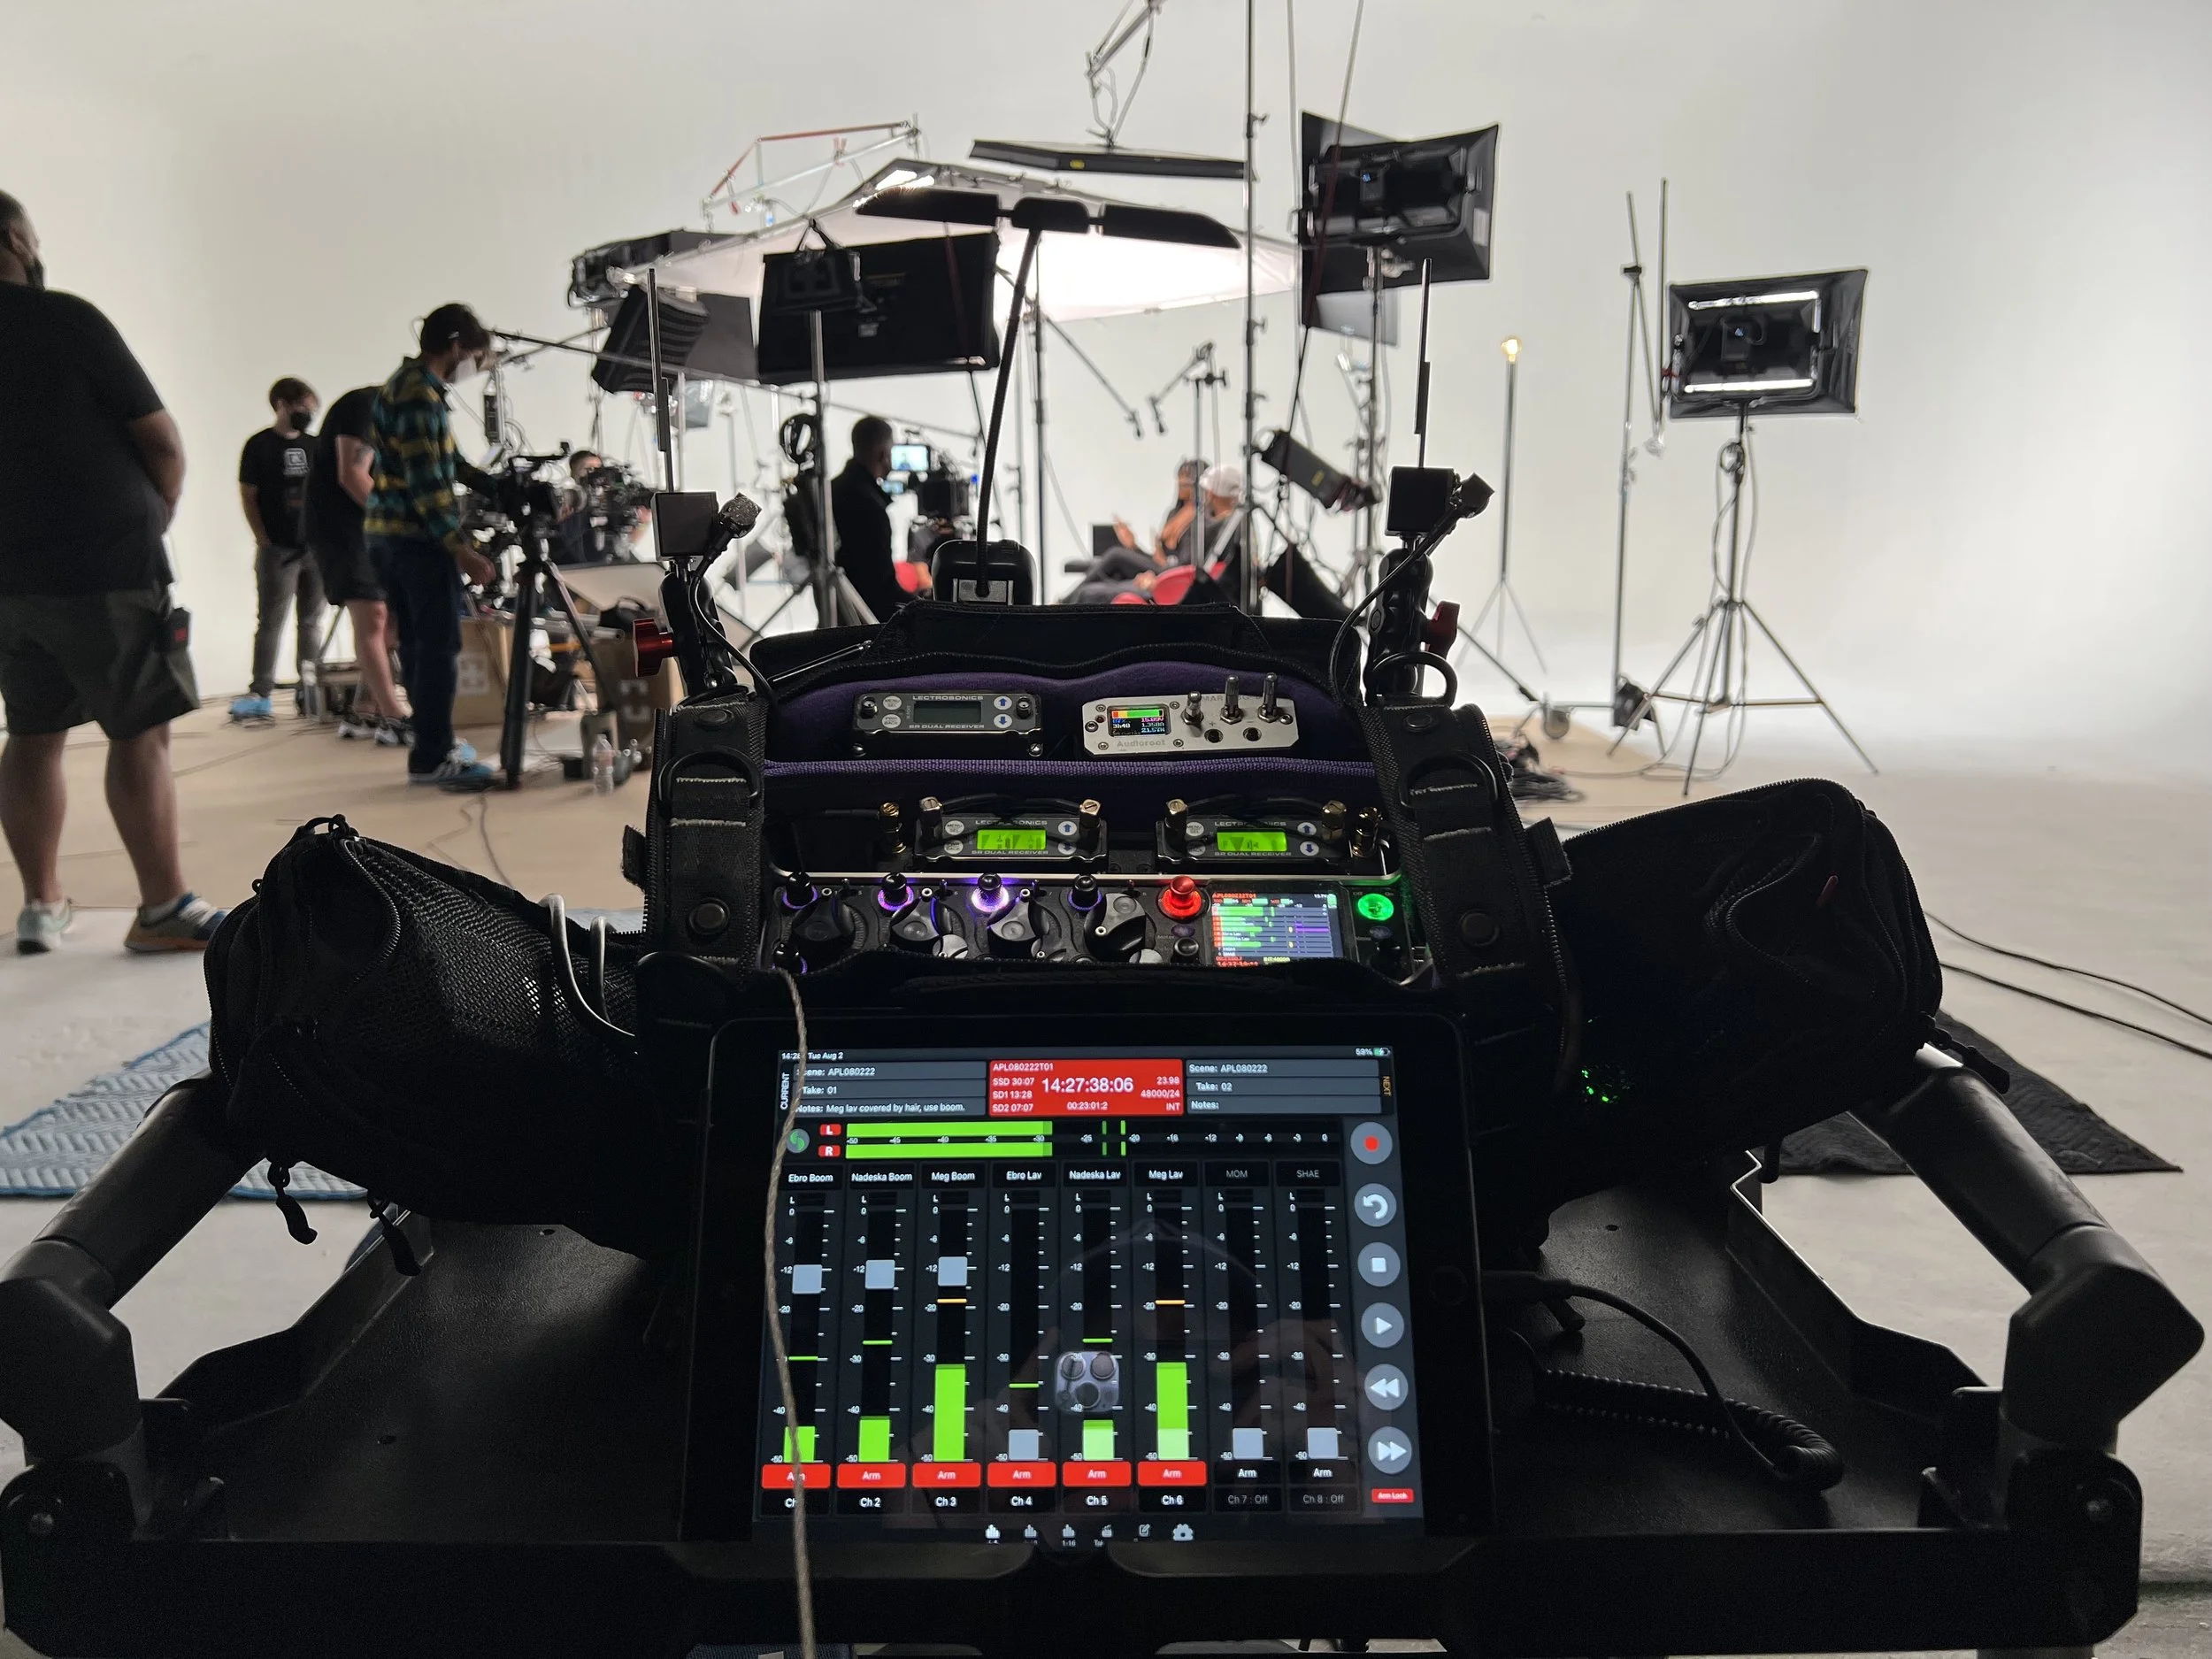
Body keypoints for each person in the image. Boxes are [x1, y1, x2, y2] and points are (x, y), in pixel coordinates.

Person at [0, 190, 227, 954]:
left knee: (32, 733)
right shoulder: (67, 319)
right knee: (140, 731)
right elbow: (160, 440)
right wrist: (159, 511)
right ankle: (162, 907)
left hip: (10, 578)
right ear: (15, 240)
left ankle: (41, 905)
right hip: (104, 563)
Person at [362, 303, 500, 790]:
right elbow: (427, 486)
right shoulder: (419, 395)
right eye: (475, 356)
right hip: (415, 541)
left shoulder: (402, 385)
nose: (474, 365)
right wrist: (461, 549)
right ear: (457, 346)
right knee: (439, 647)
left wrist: (495, 487)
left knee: (419, 646)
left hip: (389, 536)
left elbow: (449, 462)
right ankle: (433, 758)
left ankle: (430, 743)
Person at [306, 382, 409, 744]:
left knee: (392, 622)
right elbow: (352, 475)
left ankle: (365, 709)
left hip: (371, 527)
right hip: (342, 528)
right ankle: (395, 717)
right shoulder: (367, 406)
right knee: (373, 616)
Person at [231, 378, 325, 720]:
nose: (309, 414)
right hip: (277, 550)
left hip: (315, 549)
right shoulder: (259, 446)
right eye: (304, 407)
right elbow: (248, 495)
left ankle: (309, 689)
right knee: (271, 621)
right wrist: (261, 537)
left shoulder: (316, 446)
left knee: (311, 622)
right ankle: (260, 689)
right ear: (282, 404)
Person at [1197, 464, 1351, 622]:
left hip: (1229, 610)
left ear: (1212, 493)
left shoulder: (1227, 526)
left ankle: (1342, 618)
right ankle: (1342, 617)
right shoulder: (1234, 524)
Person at [829, 414, 910, 625]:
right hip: (863, 623)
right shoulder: (870, 507)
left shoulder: (831, 491)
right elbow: (881, 586)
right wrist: (920, 605)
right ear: (883, 454)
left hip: (836, 616)